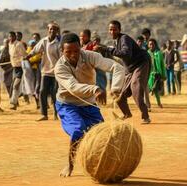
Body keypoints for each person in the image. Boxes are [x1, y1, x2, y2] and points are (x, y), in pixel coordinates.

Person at [55, 33, 125, 177]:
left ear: (81, 48)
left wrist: (116, 89)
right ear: (62, 51)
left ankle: (104, 165)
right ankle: (70, 164)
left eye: (76, 51)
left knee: (102, 136)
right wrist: (95, 89)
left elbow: (117, 68)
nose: (73, 55)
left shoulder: (90, 56)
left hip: (89, 104)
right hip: (68, 104)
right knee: (78, 130)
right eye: (68, 52)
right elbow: (73, 87)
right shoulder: (59, 68)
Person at [99, 20, 151, 123]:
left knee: (135, 87)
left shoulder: (124, 38)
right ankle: (127, 114)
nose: (112, 32)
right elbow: (123, 59)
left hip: (141, 63)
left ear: (119, 30)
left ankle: (146, 117)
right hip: (130, 69)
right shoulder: (116, 42)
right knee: (121, 96)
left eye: (115, 29)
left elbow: (126, 54)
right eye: (110, 29)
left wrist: (107, 49)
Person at [25, 22, 61, 121]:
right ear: (47, 30)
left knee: (54, 94)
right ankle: (44, 114)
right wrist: (28, 56)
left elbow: (61, 58)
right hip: (45, 71)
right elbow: (35, 50)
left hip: (55, 72)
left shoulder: (59, 43)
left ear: (57, 31)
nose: (52, 31)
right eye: (50, 29)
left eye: (54, 29)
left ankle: (56, 113)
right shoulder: (44, 41)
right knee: (42, 92)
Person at [80, 29, 107, 105]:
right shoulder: (81, 46)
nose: (82, 38)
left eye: (84, 36)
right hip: (87, 72)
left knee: (100, 87)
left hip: (97, 70)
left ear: (88, 37)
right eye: (81, 36)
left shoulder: (95, 46)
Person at [8, 31, 27, 110]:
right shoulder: (9, 44)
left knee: (16, 85)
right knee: (13, 86)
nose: (11, 38)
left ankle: (13, 103)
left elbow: (24, 55)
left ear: (15, 37)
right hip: (14, 68)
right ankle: (15, 104)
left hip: (21, 68)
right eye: (10, 37)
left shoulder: (19, 44)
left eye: (13, 36)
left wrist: (22, 60)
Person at [148, 39, 167, 108]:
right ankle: (147, 105)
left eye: (152, 44)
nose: (151, 46)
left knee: (155, 90)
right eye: (150, 44)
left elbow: (162, 64)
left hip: (157, 75)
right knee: (148, 89)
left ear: (155, 45)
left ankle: (159, 103)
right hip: (149, 75)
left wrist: (163, 75)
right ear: (148, 45)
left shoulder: (159, 53)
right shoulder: (147, 53)